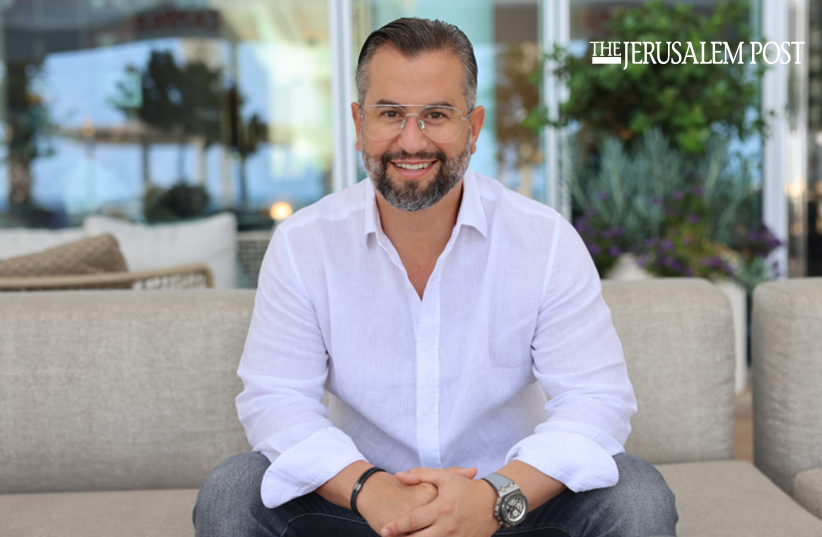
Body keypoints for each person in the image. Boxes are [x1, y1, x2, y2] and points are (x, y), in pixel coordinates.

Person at [194, 17, 677, 537]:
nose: (411, 140)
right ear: (359, 123)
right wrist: (368, 489)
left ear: (474, 125)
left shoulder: (545, 240)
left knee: (637, 494)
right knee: (234, 489)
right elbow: (277, 399)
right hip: (362, 508)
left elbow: (596, 400)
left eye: (436, 115)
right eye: (390, 114)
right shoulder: (303, 245)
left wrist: (494, 497)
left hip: (508, 509)